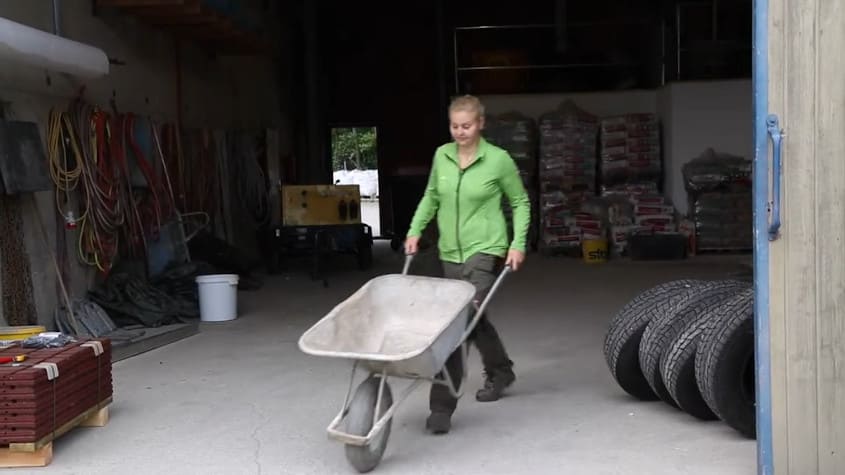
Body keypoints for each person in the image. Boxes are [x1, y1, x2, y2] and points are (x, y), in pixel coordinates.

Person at [404, 94, 531, 435]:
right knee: (475, 318)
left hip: (484, 250)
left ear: (481, 124)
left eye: (467, 125)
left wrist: (517, 244)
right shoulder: (442, 156)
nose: (460, 132)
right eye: (455, 126)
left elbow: (519, 202)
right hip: (448, 253)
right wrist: (415, 231)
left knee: (456, 326)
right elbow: (431, 196)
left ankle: (441, 406)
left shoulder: (498, 160)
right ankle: (501, 370)